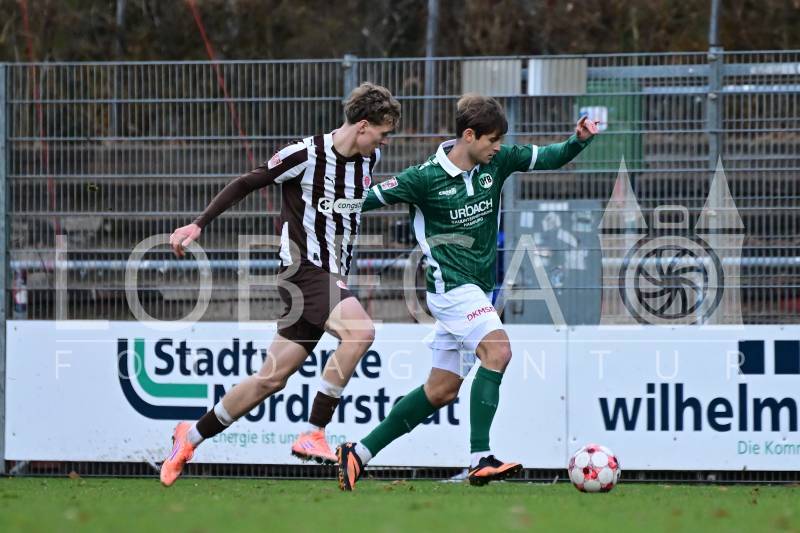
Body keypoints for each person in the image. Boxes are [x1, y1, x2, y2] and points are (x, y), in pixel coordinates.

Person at [336, 94, 598, 490]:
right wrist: (321, 201)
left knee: (440, 391)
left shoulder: (498, 162)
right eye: (492, 140)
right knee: (498, 351)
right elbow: (360, 201)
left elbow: (549, 157)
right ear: (470, 135)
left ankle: (358, 453)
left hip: (476, 292)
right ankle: (480, 458)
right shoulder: (423, 178)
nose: (498, 147)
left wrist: (578, 140)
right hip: (451, 290)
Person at [159, 83, 401, 486]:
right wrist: (198, 224)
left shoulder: (369, 157)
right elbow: (245, 183)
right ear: (362, 125)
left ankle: (190, 436)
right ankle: (314, 432)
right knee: (360, 332)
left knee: (270, 379)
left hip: (330, 276)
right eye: (382, 132)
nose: (385, 141)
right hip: (303, 271)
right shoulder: (305, 154)